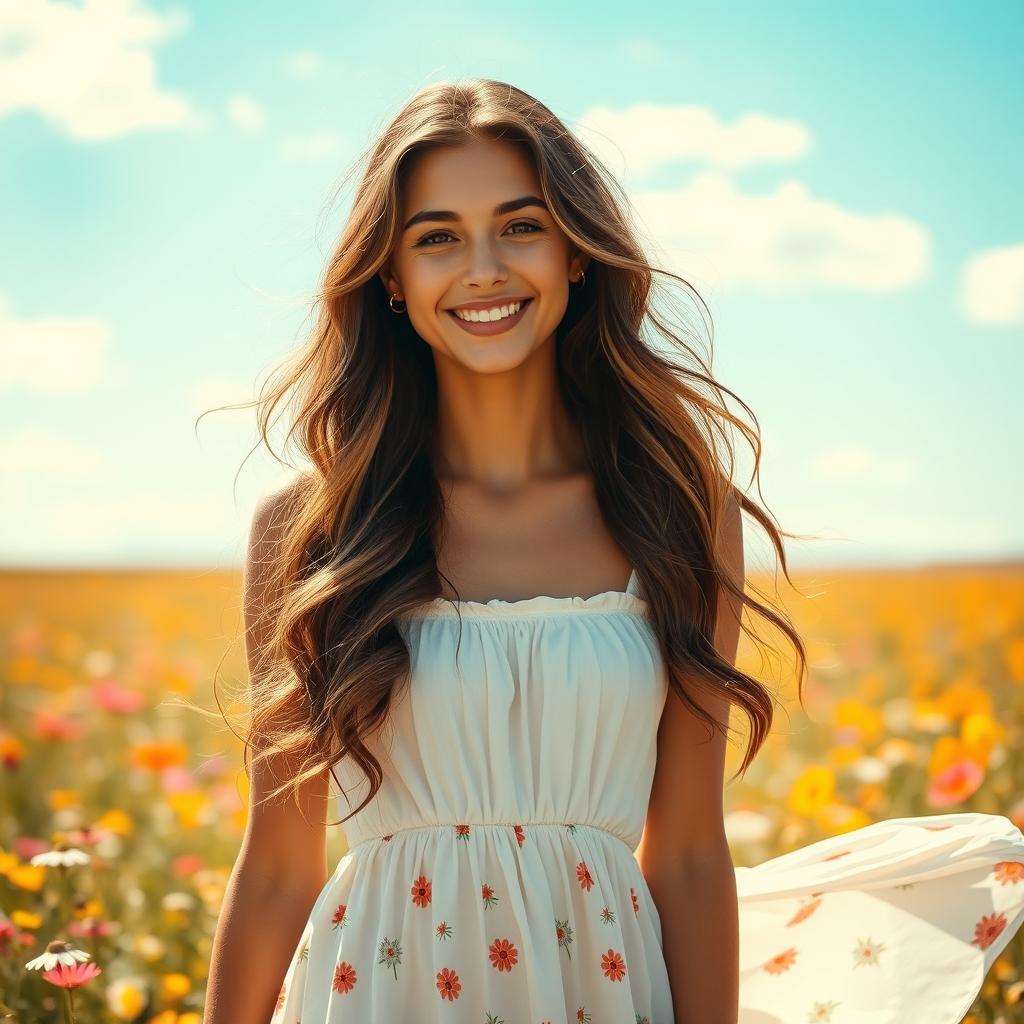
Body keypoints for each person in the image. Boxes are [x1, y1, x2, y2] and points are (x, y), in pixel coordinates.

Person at [202, 79, 1024, 1024]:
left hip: (602, 990)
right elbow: (275, 866)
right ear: (390, 275)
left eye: (521, 226)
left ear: (577, 254)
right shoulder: (307, 530)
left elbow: (684, 853)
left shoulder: (675, 513)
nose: (483, 269)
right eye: (437, 237)